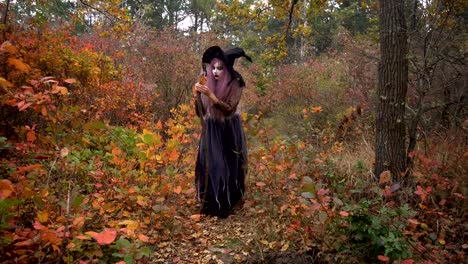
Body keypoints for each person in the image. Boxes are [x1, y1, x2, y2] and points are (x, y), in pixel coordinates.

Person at [192, 46, 252, 218]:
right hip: (211, 129)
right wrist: (197, 95)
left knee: (229, 166)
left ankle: (227, 204)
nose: (216, 71)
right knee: (211, 164)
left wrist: (211, 95)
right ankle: (211, 204)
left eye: (220, 68)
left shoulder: (236, 82)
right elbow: (200, 112)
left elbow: (229, 109)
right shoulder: (206, 80)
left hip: (229, 129)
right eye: (213, 67)